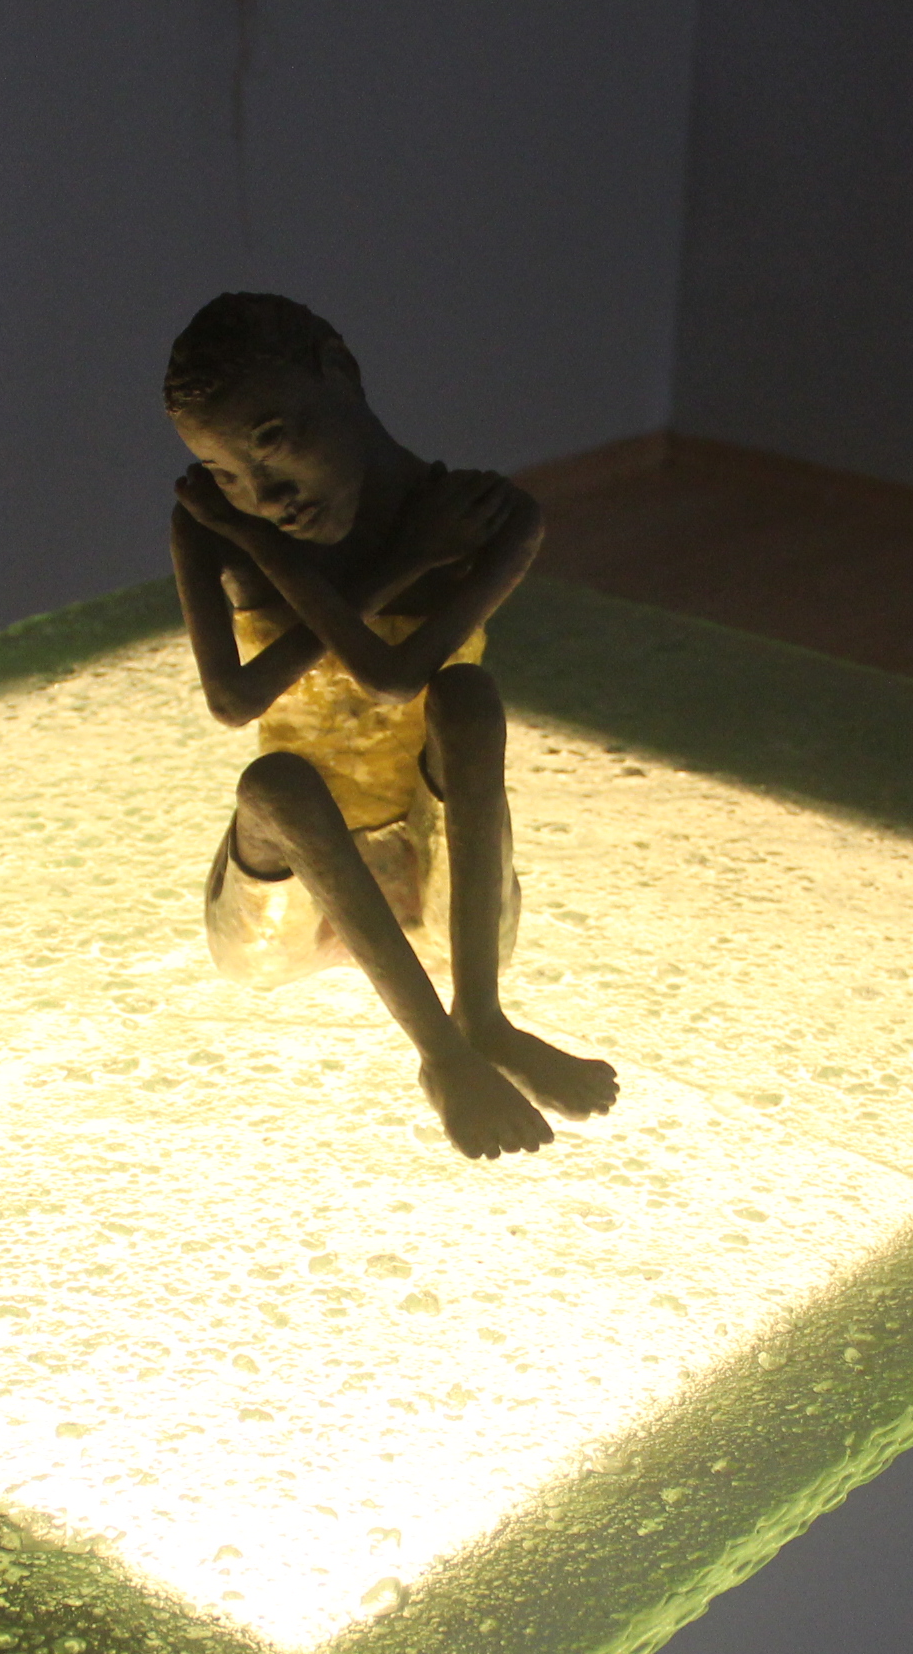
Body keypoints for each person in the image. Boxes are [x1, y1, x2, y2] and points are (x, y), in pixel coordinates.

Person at [165, 292, 616, 1159]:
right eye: (222, 474)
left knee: (468, 700)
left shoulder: (492, 518)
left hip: (444, 891)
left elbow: (392, 677)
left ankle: (482, 1017)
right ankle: (441, 1054)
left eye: (270, 442)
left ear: (338, 370)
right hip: (287, 895)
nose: (261, 495)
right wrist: (376, 558)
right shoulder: (217, 529)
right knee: (276, 783)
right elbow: (233, 702)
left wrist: (288, 553)